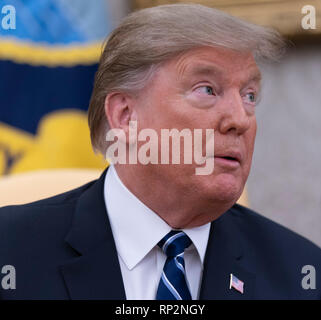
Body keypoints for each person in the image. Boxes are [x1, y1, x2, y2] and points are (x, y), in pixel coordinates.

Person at [0, 4, 320, 300]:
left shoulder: (299, 274)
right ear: (125, 115)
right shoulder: (11, 252)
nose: (240, 119)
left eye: (249, 96)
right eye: (207, 90)